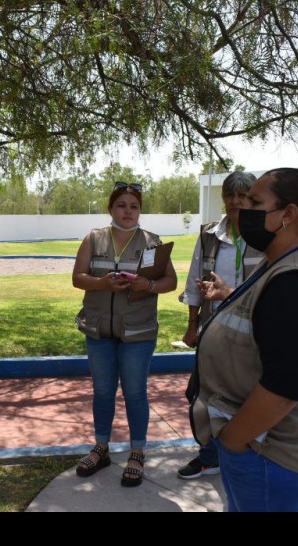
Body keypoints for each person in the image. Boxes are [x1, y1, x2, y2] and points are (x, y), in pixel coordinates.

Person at [188, 167, 298, 512]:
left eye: (255, 202)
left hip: (270, 454)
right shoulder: (285, 261)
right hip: (265, 447)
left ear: (288, 215)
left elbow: (283, 388)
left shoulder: (293, 281)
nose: (242, 209)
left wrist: (233, 440)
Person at [72, 181, 177, 487]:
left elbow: (170, 281)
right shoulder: (94, 238)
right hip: (99, 331)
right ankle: (101, 448)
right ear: (111, 208)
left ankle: (137, 452)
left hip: (138, 333)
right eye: (122, 205)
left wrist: (150, 285)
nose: (128, 211)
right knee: (103, 392)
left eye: (134, 206)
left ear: (140, 211)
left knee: (135, 393)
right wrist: (102, 283)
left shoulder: (152, 242)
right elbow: (77, 278)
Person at [174, 171, 264, 480]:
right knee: (202, 394)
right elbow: (194, 281)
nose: (236, 201)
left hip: (253, 333)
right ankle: (209, 457)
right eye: (230, 195)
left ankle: (246, 455)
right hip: (213, 330)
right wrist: (192, 326)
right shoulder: (209, 234)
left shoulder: (265, 233)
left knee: (246, 397)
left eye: (243, 195)